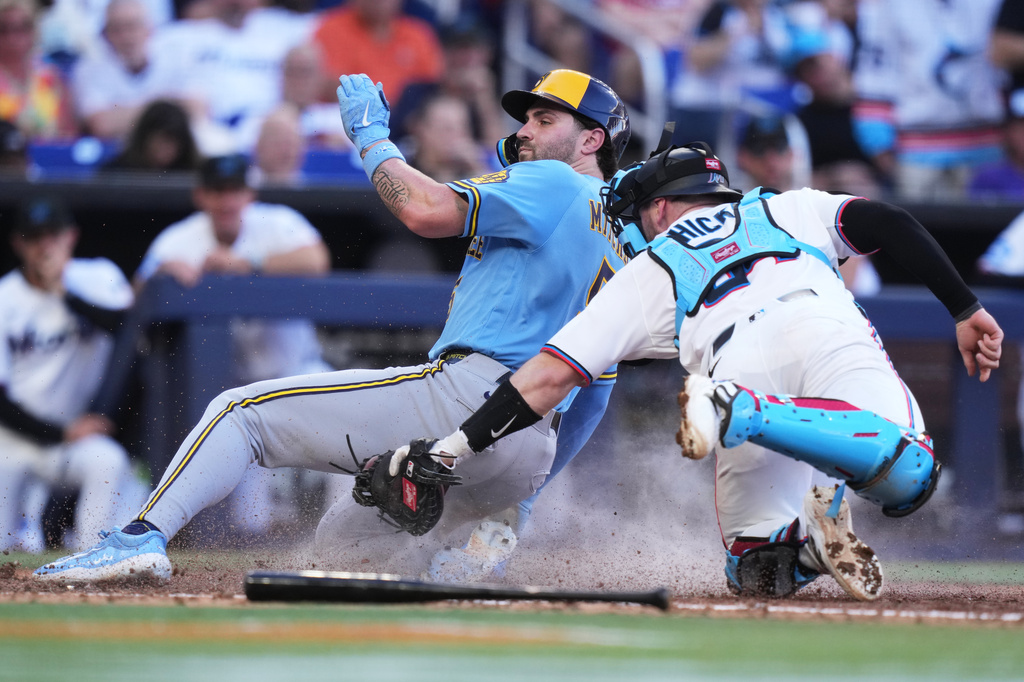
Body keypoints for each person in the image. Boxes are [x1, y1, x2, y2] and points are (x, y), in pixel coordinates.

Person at [34, 68, 631, 583]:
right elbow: (594, 393)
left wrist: (372, 140)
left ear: (592, 139)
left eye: (545, 120)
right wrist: (519, 499)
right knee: (344, 553)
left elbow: (423, 210)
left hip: (469, 397)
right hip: (527, 446)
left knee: (241, 414)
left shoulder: (555, 182)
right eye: (527, 118)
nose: (525, 130)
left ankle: (139, 538)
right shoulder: (618, 244)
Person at [396, 141, 1003, 601]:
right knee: (908, 474)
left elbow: (544, 379)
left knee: (757, 569)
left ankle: (744, 420)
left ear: (660, 207)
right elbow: (891, 223)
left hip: (733, 363)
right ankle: (758, 441)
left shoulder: (649, 268)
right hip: (824, 335)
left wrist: (450, 448)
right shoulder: (788, 205)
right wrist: (964, 307)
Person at [0, 195, 139, 553]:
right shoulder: (5, 298)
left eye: (53, 235)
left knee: (108, 460)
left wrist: (65, 293)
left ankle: (92, 558)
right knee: (5, 546)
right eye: (35, 237)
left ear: (71, 236)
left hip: (73, 439)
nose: (45, 246)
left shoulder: (98, 276)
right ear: (19, 243)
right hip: (13, 440)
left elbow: (130, 333)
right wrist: (60, 431)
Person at [851, 0, 1004, 200]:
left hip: (988, 147)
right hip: (917, 151)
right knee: (922, 229)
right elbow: (875, 75)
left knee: (990, 227)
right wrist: (878, 141)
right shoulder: (888, 5)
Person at [69, 0, 197, 142]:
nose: (126, 37)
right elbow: (101, 125)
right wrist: (168, 110)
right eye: (117, 29)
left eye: (132, 26)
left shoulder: (175, 56)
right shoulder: (89, 68)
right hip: (119, 155)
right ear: (105, 35)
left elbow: (197, 108)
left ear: (149, 29)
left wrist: (122, 115)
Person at [312, 0, 444, 108]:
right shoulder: (330, 30)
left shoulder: (418, 35)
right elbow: (327, 85)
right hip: (347, 121)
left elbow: (432, 85)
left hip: (406, 125)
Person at [0, 0, 77, 140]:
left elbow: (68, 133)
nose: (13, 37)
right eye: (4, 28)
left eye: (22, 27)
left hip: (49, 157)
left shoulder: (51, 75)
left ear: (35, 30)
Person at [100, 98, 201, 173]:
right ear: (144, 139)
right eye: (161, 141)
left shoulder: (195, 176)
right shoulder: (115, 174)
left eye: (172, 142)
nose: (166, 149)